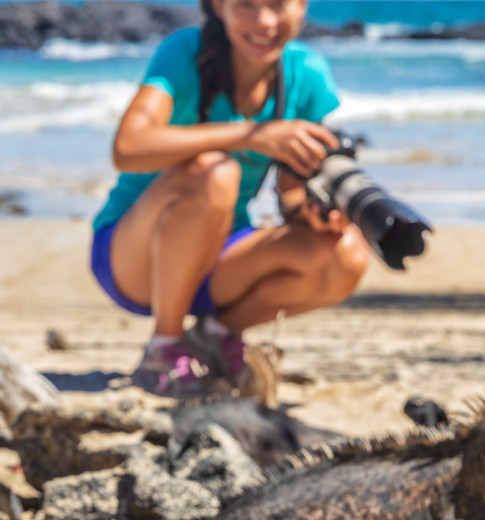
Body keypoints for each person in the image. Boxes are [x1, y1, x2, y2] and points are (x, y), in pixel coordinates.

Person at [89, 0, 371, 397]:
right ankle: (164, 347)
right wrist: (250, 136)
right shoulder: (187, 52)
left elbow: (290, 194)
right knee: (216, 172)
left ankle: (216, 333)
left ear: (302, 6)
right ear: (219, 6)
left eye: (277, 5)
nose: (265, 22)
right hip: (132, 257)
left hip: (221, 259)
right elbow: (128, 146)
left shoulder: (305, 75)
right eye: (246, 6)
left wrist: (313, 214)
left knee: (346, 255)